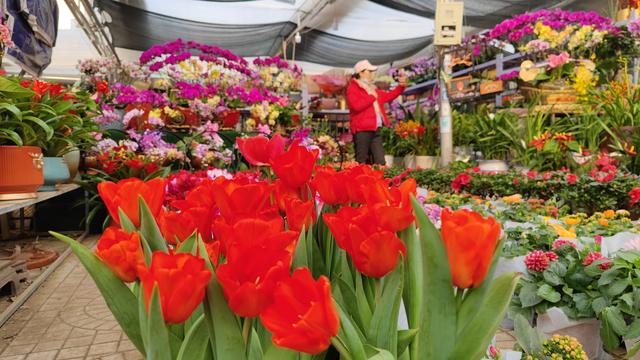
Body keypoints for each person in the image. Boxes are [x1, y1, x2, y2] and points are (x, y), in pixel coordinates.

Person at [346, 59, 406, 165]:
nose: (372, 74)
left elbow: (389, 96)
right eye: (369, 71)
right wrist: (371, 97)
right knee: (361, 161)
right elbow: (356, 106)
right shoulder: (353, 88)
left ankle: (379, 181)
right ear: (360, 72)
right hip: (362, 129)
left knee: (380, 162)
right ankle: (359, 181)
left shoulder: (372, 89)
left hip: (375, 128)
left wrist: (401, 86)